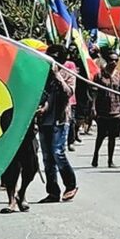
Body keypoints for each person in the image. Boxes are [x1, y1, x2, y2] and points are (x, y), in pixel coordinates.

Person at [36, 45, 78, 203]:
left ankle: (70, 185)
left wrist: (56, 75)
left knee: (58, 153)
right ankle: (52, 191)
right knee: (47, 158)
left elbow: (68, 92)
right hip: (44, 119)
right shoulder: (43, 72)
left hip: (60, 119)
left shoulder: (68, 72)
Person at [91, 49, 120, 168]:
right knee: (101, 135)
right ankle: (96, 155)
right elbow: (95, 92)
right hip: (102, 109)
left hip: (116, 109)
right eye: (111, 60)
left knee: (112, 136)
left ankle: (110, 160)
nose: (113, 62)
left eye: (116, 60)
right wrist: (93, 107)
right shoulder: (99, 75)